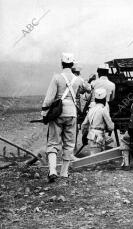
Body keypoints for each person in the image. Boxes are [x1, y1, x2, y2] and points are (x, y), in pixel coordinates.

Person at [41, 53, 91, 183]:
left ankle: (52, 171)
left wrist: (44, 112)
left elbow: (49, 98)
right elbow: (89, 89)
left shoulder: (56, 78)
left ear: (61, 63)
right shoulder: (78, 79)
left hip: (58, 113)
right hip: (72, 113)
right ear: (73, 64)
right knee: (69, 143)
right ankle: (64, 172)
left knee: (53, 142)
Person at [81, 88, 115, 153]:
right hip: (99, 137)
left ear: (95, 100)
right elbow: (111, 127)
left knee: (94, 157)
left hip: (91, 136)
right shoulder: (103, 110)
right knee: (97, 159)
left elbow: (84, 125)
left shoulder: (91, 110)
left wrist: (84, 136)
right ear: (104, 99)